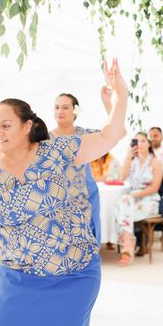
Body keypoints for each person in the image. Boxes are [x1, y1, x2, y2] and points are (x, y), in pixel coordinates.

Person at [0, 59, 128, 326]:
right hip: (18, 277)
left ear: (28, 125)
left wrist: (121, 94)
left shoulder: (61, 151)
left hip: (73, 275)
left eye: (5, 124)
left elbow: (112, 133)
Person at [50, 90, 113, 243]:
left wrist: (107, 103)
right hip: (55, 204)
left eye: (65, 107)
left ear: (75, 111)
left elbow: (114, 133)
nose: (60, 111)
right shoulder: (45, 138)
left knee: (87, 250)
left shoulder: (85, 136)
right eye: (57, 107)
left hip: (85, 201)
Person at [114, 132, 163, 265]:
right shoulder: (133, 161)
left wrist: (134, 195)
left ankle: (126, 247)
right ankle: (127, 247)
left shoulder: (156, 162)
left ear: (148, 143)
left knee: (122, 206)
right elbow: (122, 177)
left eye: (143, 141)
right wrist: (128, 157)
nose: (140, 144)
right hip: (132, 201)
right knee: (123, 204)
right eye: (136, 141)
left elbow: (155, 188)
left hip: (149, 200)